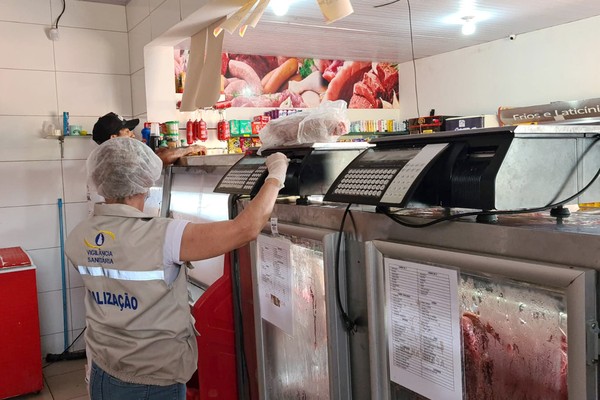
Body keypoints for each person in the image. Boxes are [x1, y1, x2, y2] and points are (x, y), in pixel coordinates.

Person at [65, 137, 288, 400]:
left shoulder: (79, 235)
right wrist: (276, 174)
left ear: (101, 181)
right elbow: (246, 228)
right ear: (147, 182)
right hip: (153, 380)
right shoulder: (164, 235)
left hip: (103, 370)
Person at [92, 112, 206, 166]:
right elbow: (159, 160)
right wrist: (190, 149)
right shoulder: (119, 159)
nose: (132, 135)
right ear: (114, 138)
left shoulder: (104, 159)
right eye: (127, 131)